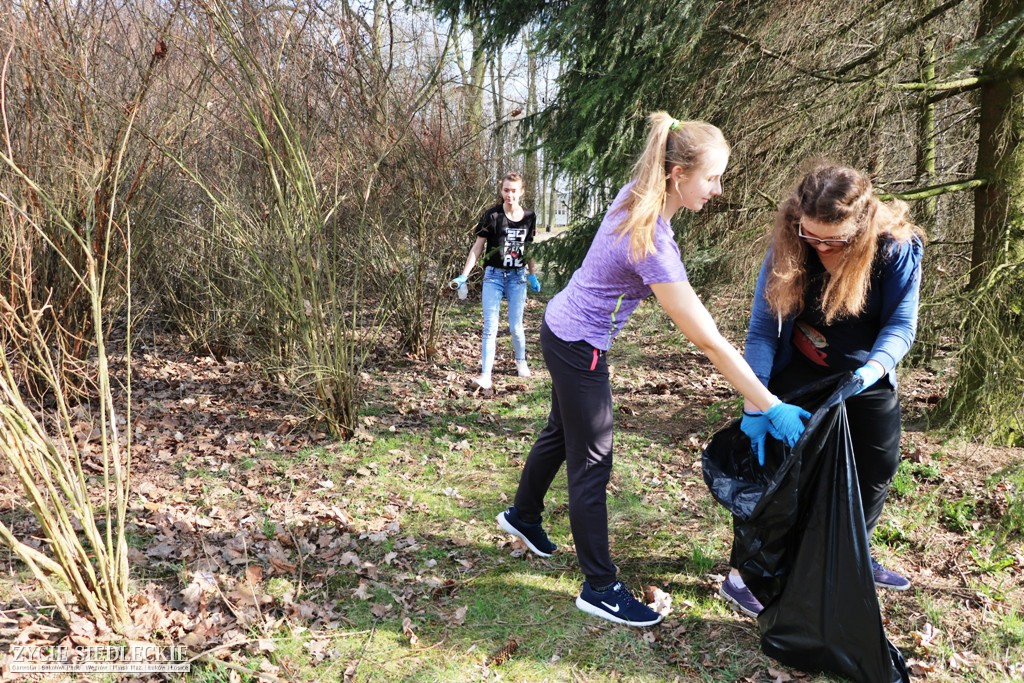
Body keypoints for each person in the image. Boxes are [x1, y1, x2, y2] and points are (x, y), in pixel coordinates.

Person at [494, 112, 812, 628]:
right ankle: (600, 587)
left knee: (561, 428)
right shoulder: (652, 246)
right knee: (592, 460)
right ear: (677, 174)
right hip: (581, 347)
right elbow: (708, 340)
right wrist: (770, 404)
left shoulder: (635, 195)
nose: (718, 188)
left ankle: (523, 516)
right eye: (711, 177)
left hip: (560, 326)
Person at [719, 161, 925, 618]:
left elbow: (901, 325)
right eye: (812, 235)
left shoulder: (895, 249)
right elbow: (761, 332)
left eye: (834, 240)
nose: (821, 247)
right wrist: (756, 406)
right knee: (778, 475)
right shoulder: (791, 243)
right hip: (799, 377)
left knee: (875, 468)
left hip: (863, 377)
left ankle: (852, 554)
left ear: (862, 223)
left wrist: (871, 372)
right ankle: (745, 575)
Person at [451, 172, 542, 390]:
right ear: (501, 191)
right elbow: (477, 247)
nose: (509, 194)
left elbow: (528, 248)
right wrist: (464, 274)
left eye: (514, 190)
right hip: (493, 276)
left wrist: (532, 274)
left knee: (516, 326)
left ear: (521, 192)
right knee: (490, 327)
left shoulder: (529, 217)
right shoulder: (491, 216)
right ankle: (485, 375)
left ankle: (521, 362)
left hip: (517, 277)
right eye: (506, 190)